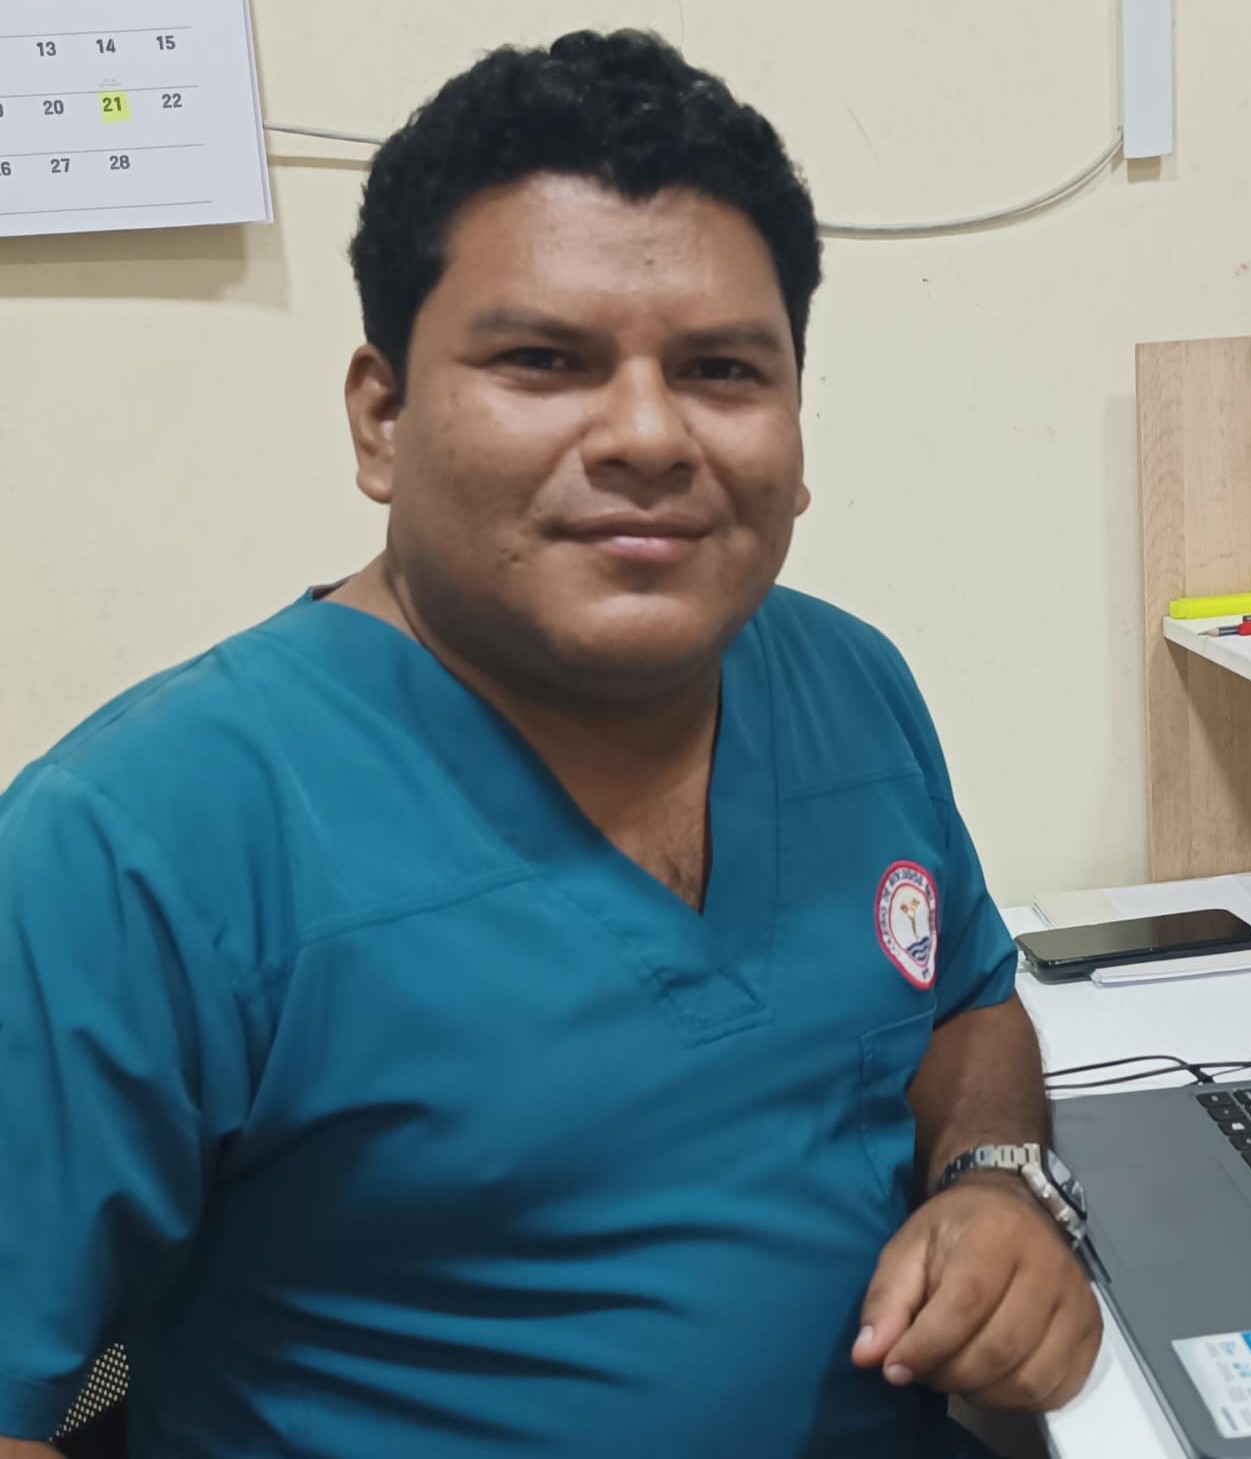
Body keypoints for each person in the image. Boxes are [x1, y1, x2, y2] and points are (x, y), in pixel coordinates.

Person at [0, 30, 1100, 1459]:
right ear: (382, 417)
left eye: (721, 369)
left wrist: (997, 1181)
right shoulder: (133, 843)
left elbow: (965, 1007)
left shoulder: (850, 683)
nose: (648, 434)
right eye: (543, 361)